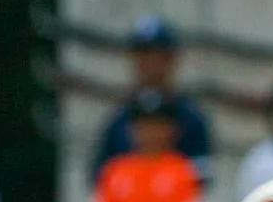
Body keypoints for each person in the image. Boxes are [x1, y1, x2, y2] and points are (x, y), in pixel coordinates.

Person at [91, 16, 213, 187]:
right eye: (143, 55)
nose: (150, 63)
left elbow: (202, 178)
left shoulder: (190, 118)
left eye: (158, 55)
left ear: (171, 59)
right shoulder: (118, 119)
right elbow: (100, 180)